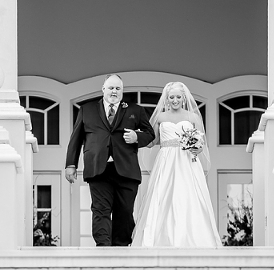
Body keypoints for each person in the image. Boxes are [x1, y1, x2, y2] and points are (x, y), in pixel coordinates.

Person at [64, 74, 156, 246]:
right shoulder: (87, 109)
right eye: (111, 88)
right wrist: (71, 164)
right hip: (98, 168)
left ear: (122, 91)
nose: (114, 91)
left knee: (125, 212)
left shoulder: (135, 110)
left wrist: (137, 137)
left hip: (126, 170)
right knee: (100, 210)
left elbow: (151, 134)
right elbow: (76, 138)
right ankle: (103, 249)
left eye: (118, 88)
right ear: (103, 89)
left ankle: (120, 248)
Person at [131, 81, 222, 247]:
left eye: (178, 97)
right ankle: (160, 240)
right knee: (162, 196)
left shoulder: (192, 117)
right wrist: (136, 137)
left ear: (183, 98)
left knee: (187, 196)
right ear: (166, 98)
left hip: (187, 161)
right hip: (165, 161)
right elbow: (152, 141)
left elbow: (201, 142)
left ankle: (194, 240)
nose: (174, 100)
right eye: (171, 97)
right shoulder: (160, 117)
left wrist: (197, 148)